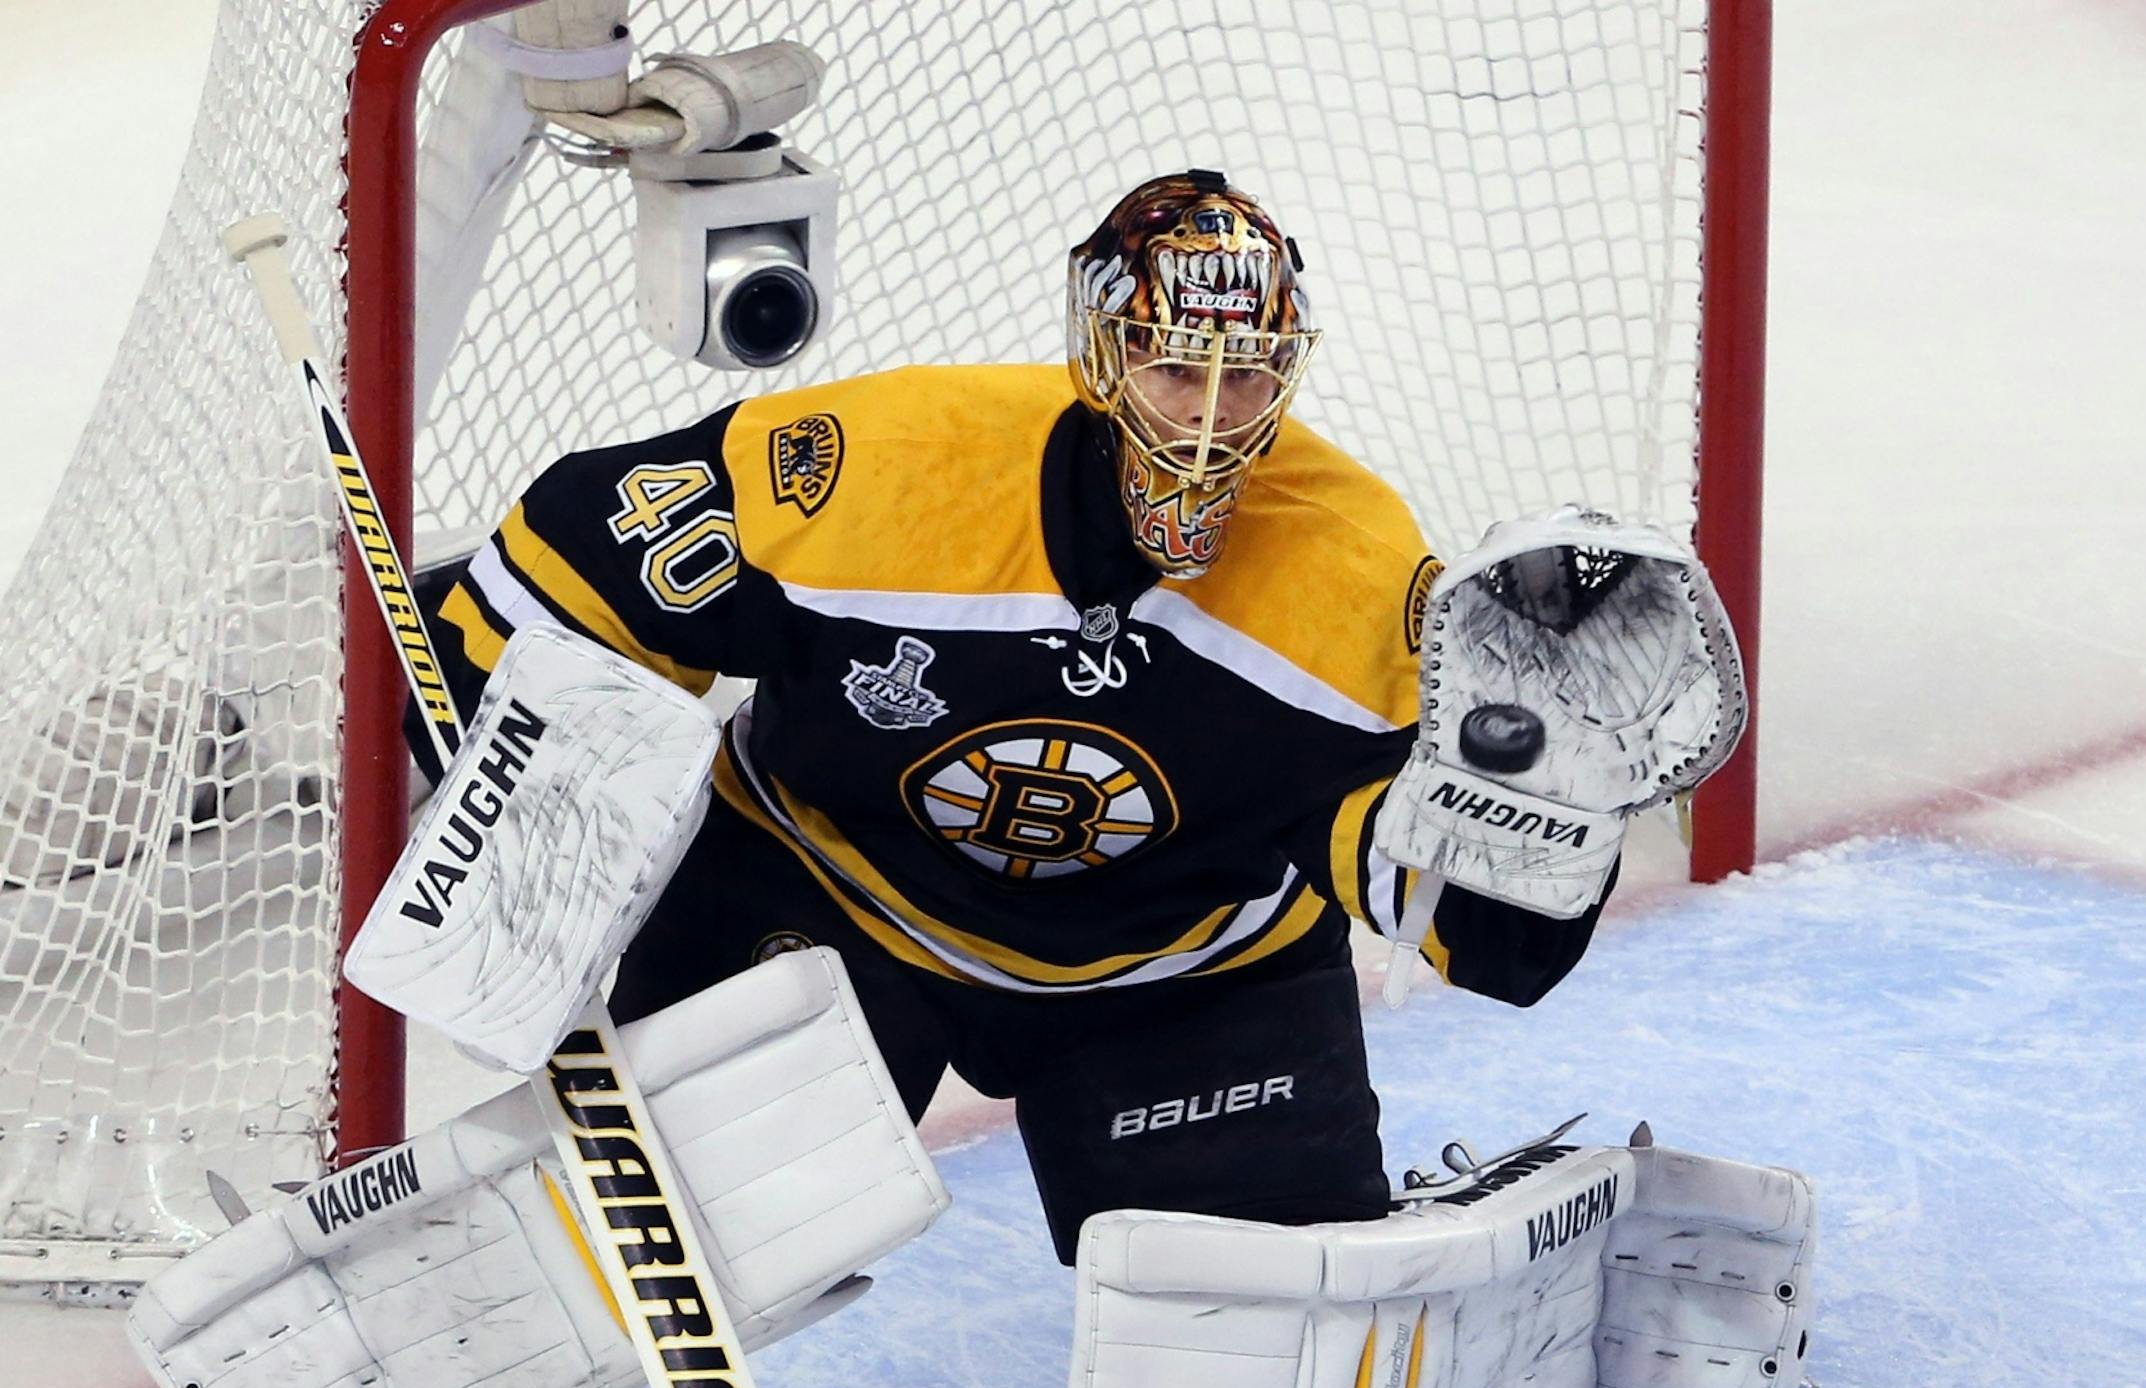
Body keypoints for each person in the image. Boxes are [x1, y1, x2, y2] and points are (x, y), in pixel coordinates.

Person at [412, 168, 1610, 1265]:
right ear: (1102, 353)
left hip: (1184, 966)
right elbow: (562, 570)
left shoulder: (1359, 575)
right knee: (648, 1255)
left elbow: (1480, 927)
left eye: (1246, 373)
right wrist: (527, 854)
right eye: (1175, 367)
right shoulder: (884, 468)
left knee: (1256, 1306)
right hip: (832, 899)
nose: (1209, 420)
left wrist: (1569, 783)